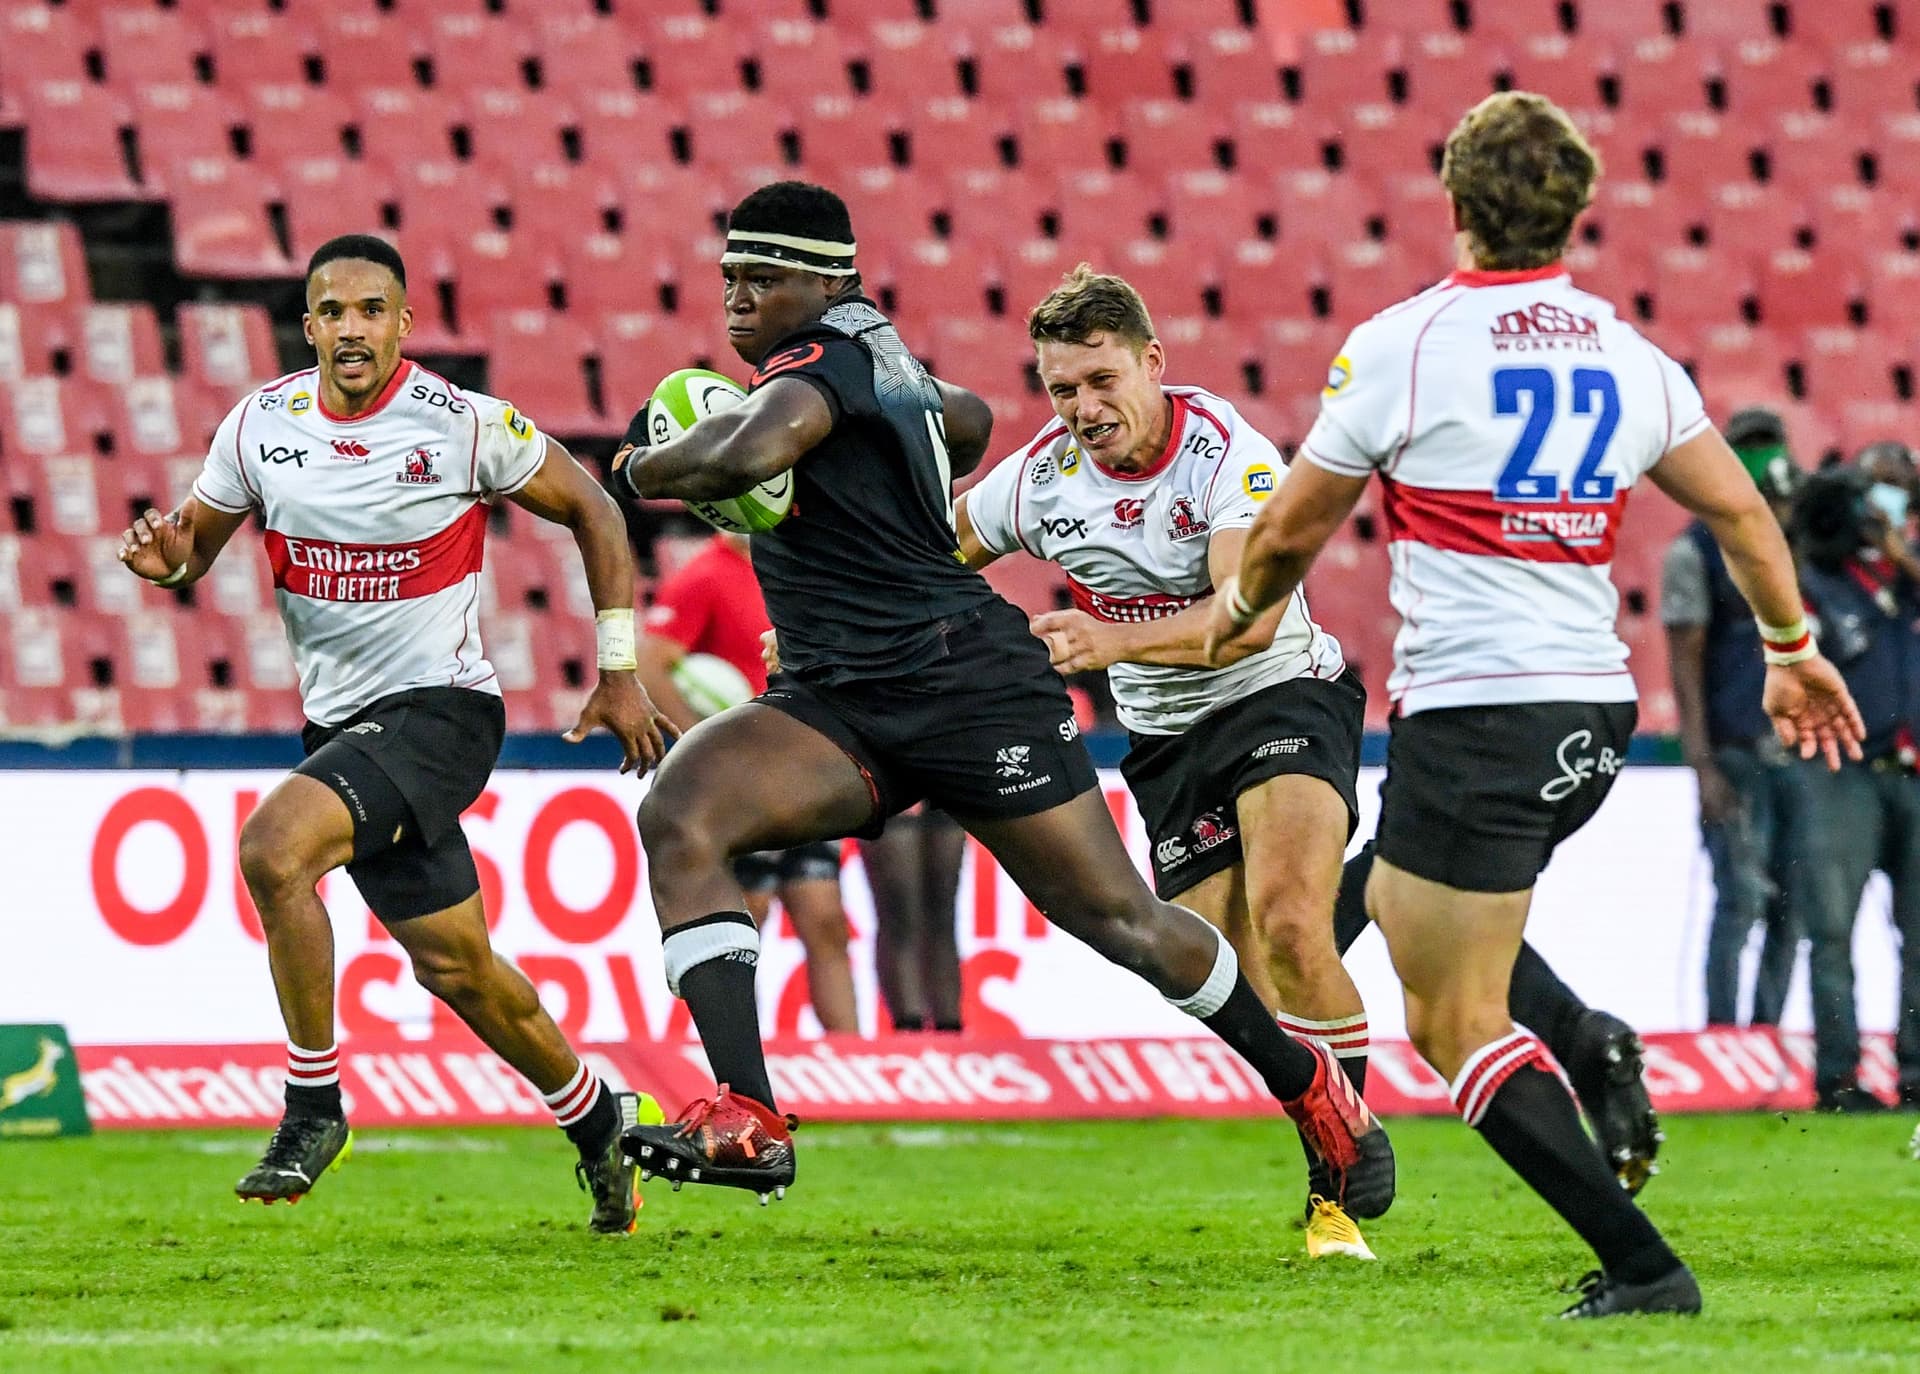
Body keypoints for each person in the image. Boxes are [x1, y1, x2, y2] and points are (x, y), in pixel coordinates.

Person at [603, 180, 1394, 1218]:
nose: (740, 297)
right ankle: (749, 1112)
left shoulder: (826, 360)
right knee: (681, 812)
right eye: (731, 277)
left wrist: (637, 466)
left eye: (765, 276)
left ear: (828, 280)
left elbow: (751, 450)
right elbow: (965, 426)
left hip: (980, 690)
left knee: (1120, 921)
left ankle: (1314, 1092)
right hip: (841, 696)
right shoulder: (885, 371)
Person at [1206, 93, 1863, 1316]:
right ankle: (1594, 1044)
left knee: (1452, 1018)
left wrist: (1238, 614)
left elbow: (1296, 522)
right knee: (1400, 908)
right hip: (1593, 714)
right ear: (1575, 210)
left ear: (1454, 203)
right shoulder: (1627, 353)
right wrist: (1790, 646)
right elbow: (1737, 510)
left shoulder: (1405, 343)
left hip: (1480, 710)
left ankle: (1645, 1267)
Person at [116, 235, 670, 1232]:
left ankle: (314, 1105)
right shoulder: (262, 428)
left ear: (403, 323)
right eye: (331, 312)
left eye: (372, 310)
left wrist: (620, 668)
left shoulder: (459, 424)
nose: (351, 329)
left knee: (273, 849)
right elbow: (193, 551)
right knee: (460, 970)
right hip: (345, 726)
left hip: (444, 712)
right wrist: (165, 561)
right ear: (310, 326)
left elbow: (593, 508)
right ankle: (602, 1125)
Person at [636, 531, 859, 1033]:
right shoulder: (705, 575)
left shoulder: (800, 560)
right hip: (747, 781)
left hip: (809, 771)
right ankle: (738, 1065)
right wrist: (703, 743)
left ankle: (853, 1066)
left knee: (824, 919)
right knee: (744, 921)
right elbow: (652, 664)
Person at [1662, 406, 1807, 1027]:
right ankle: (1723, 1032)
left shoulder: (1803, 545)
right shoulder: (1695, 551)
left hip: (1798, 751)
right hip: (1736, 748)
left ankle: (1767, 1028)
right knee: (1740, 900)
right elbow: (1685, 662)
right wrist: (1701, 764)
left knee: (1792, 907)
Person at [1787, 460, 1920, 1111]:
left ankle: (1917, 1074)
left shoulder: (1909, 578)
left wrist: (1904, 558)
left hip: (1914, 771)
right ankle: (1840, 1077)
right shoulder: (1817, 581)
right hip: (1843, 771)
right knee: (1832, 929)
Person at [859, 808, 967, 1034]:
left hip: (945, 783)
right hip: (893, 784)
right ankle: (909, 1027)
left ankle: (950, 1031)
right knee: (900, 913)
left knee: (942, 912)